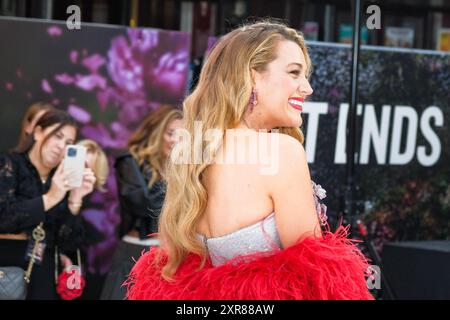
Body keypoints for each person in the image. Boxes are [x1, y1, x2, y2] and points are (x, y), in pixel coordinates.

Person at [125, 21, 374, 300]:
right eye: (294, 73)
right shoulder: (281, 150)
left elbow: (175, 269)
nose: (307, 88)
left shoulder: (193, 149)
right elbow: (316, 279)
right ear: (252, 76)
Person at [0, 109, 96, 299]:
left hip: (44, 272)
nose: (61, 146)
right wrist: (51, 197)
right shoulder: (10, 164)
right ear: (37, 132)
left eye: (68, 143)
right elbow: (4, 218)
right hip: (7, 268)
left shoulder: (63, 179)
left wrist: (75, 200)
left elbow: (68, 242)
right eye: (57, 136)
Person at [100, 105, 183, 300]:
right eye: (171, 133)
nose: (175, 141)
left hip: (171, 257)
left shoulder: (185, 170)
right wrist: (175, 177)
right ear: (157, 132)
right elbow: (142, 204)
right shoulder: (129, 161)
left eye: (182, 136)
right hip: (136, 252)